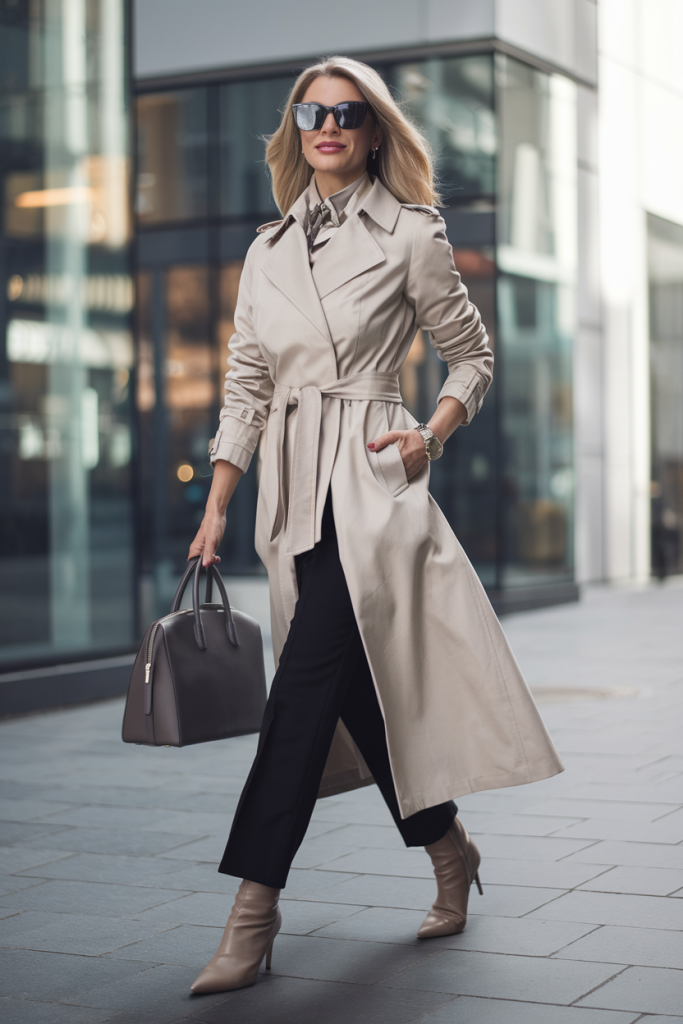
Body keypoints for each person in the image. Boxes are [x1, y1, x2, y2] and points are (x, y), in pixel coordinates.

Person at [187, 56, 563, 995]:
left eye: (346, 114)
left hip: (370, 490)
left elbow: (469, 355)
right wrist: (220, 497)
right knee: (350, 698)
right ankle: (449, 850)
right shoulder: (265, 253)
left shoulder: (409, 235)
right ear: (295, 129)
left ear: (370, 130)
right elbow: (247, 381)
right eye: (310, 112)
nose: (327, 126)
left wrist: (429, 435)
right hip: (290, 498)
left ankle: (252, 913)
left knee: (299, 698)